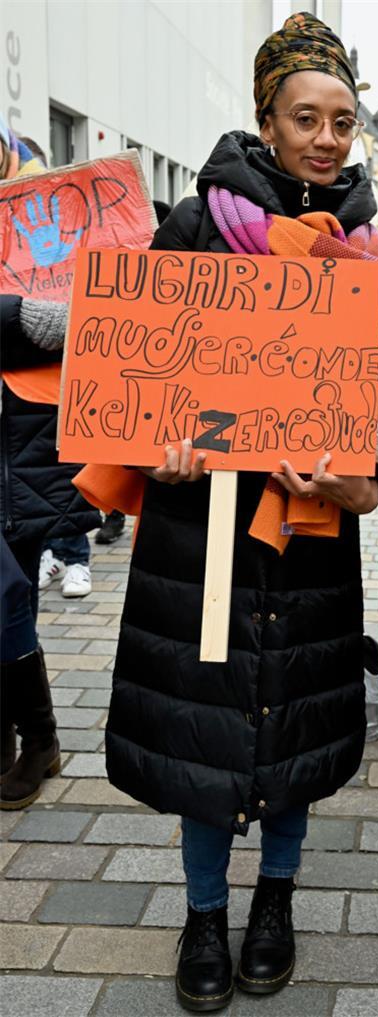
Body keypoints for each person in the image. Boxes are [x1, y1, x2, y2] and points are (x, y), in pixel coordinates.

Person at [73, 14, 378, 1014]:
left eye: (343, 120)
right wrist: (159, 451)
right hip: (200, 533)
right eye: (307, 118)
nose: (328, 139)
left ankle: (277, 904)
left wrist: (356, 485)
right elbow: (135, 379)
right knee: (209, 732)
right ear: (266, 120)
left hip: (308, 535)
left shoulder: (369, 252)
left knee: (290, 725)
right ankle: (206, 912)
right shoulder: (195, 227)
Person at [0, 118, 100, 809]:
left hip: (27, 448)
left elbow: (77, 318)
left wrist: (18, 318)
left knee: (10, 597)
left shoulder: (38, 217)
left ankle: (34, 739)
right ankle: (27, 739)